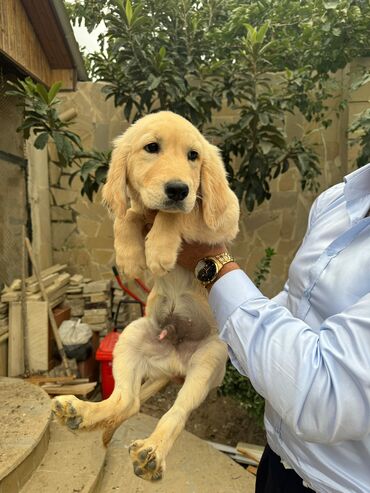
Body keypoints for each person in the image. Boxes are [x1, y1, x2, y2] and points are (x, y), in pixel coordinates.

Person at [176, 162, 370, 493]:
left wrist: (212, 263)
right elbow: (297, 307)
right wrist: (210, 340)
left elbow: (322, 395)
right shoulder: (338, 200)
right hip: (280, 460)